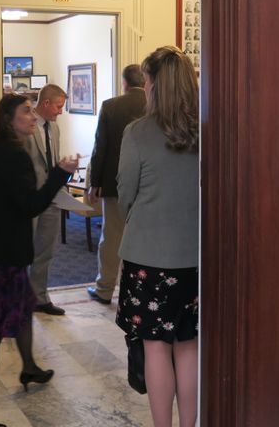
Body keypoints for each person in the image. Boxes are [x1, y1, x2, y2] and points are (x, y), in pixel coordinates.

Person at [0, 94, 78, 427]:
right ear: (9, 119)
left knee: (24, 308)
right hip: (4, 256)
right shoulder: (13, 156)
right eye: (26, 112)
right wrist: (59, 173)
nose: (33, 117)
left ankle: (28, 366)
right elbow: (31, 206)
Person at [115, 46, 199, 427]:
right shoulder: (207, 129)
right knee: (188, 346)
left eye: (147, 81)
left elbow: (125, 194)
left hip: (149, 258)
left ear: (154, 85)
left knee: (154, 346)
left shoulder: (138, 132)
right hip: (197, 257)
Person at [86, 64, 146, 305]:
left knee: (111, 237)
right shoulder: (155, 105)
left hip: (115, 182)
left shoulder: (111, 106)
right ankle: (139, 289)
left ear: (124, 83)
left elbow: (101, 146)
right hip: (149, 183)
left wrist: (95, 182)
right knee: (143, 237)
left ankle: (104, 288)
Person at [25, 83, 68, 315]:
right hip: (30, 198)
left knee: (46, 249)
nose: (61, 112)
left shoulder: (55, 127)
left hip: (52, 197)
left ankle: (39, 297)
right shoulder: (26, 124)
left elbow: (53, 160)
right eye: (59, 107)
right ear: (46, 103)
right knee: (25, 249)